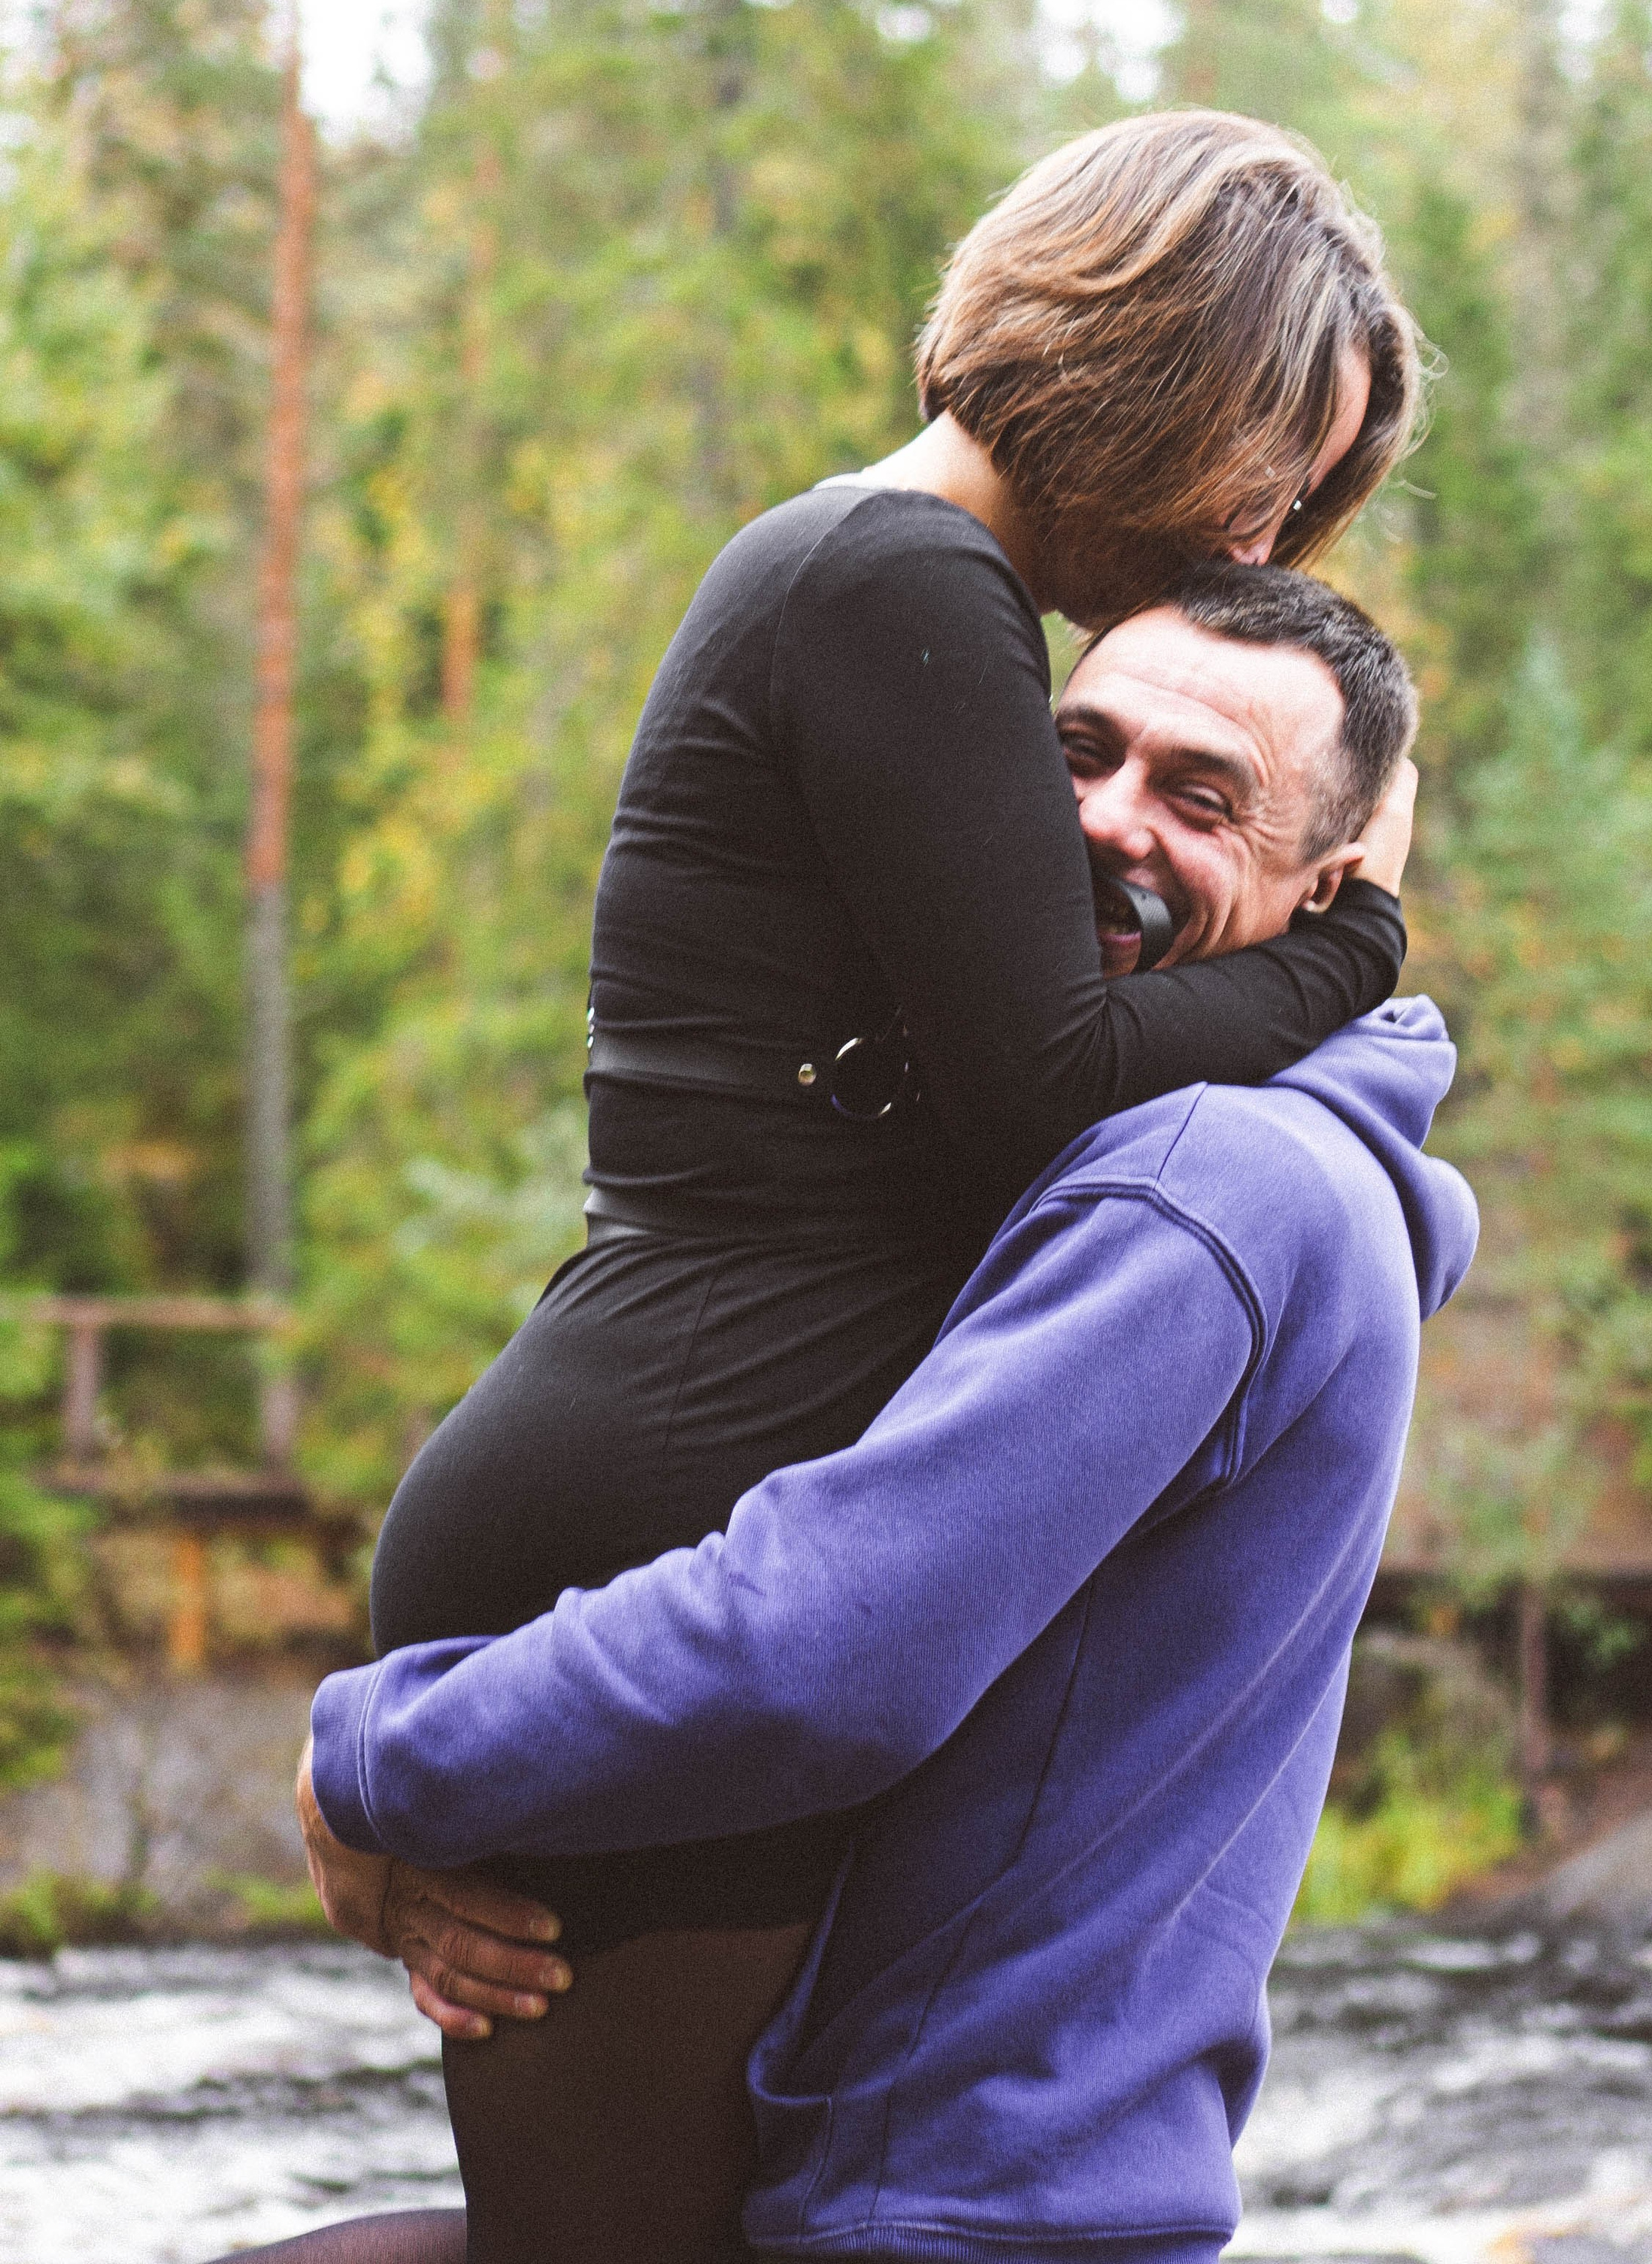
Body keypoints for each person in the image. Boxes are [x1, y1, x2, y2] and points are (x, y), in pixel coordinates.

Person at [271, 112, 1427, 2264]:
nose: (1273, 522)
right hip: (646, 1537)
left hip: (679, 1491)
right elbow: (1048, 1084)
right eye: (1277, 455)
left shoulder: (920, 595)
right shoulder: (906, 581)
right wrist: (1359, 940)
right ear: (1164, 362)